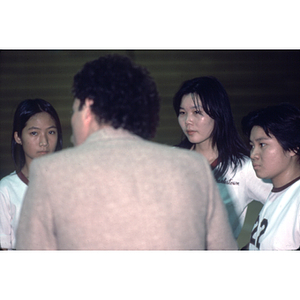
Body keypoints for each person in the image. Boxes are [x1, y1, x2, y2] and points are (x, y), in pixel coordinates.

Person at [16, 54, 237, 250]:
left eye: (74, 110)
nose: (71, 122)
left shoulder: (49, 173)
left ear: (88, 108)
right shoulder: (193, 167)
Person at [173, 76, 272, 239]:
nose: (188, 120)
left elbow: (286, 202)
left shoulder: (244, 168)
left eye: (197, 112)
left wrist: (257, 246)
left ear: (218, 114)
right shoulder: (169, 160)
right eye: (182, 113)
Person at [0, 99, 63, 250]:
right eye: (34, 133)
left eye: (51, 132)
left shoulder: (69, 185)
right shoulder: (6, 190)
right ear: (18, 137)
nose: (44, 141)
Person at [241, 103, 300, 250]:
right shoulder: (278, 194)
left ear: (293, 148)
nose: (253, 154)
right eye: (252, 146)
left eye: (262, 145)